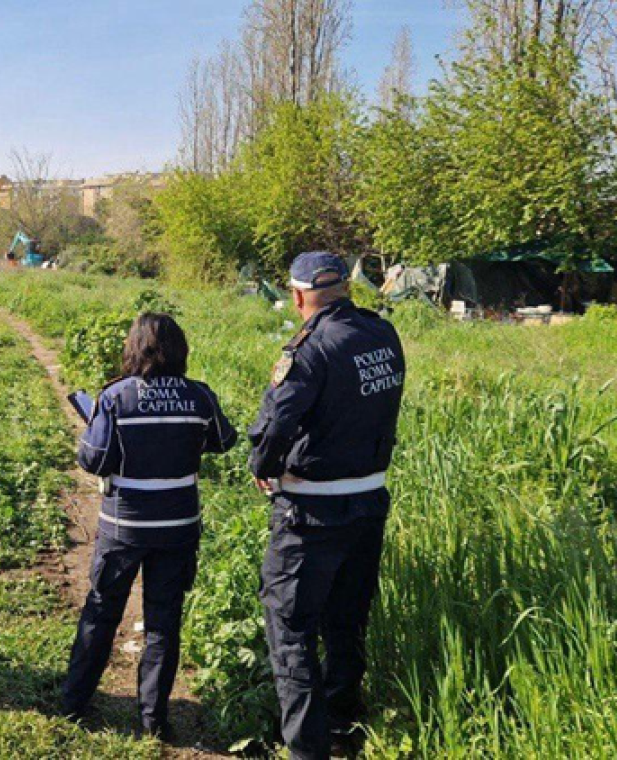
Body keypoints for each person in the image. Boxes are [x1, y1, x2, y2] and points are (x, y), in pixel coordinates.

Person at [248, 252, 405, 759]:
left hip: (310, 514)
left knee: (291, 629)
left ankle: (307, 750)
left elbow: (277, 424)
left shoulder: (309, 348)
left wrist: (263, 466)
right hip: (368, 503)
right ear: (345, 288)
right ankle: (341, 724)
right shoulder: (382, 335)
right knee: (346, 620)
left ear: (297, 296)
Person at [61, 313, 237, 741]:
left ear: (134, 349)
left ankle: (72, 704)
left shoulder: (116, 397)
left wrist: (98, 423)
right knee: (163, 623)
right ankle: (152, 721)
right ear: (181, 350)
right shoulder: (200, 396)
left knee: (102, 611)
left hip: (124, 527)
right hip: (178, 528)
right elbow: (223, 440)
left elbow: (93, 460)